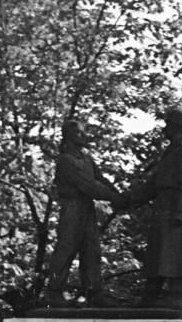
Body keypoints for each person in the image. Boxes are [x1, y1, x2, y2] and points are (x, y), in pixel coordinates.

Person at [124, 105, 182, 309]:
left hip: (176, 207)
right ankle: (152, 292)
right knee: (159, 250)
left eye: (169, 125)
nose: (166, 129)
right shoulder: (170, 152)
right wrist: (131, 199)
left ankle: (177, 294)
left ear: (177, 127)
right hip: (163, 205)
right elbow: (154, 183)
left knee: (177, 252)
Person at [43, 115, 124, 305]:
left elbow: (99, 178)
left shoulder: (86, 157)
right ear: (69, 136)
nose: (83, 135)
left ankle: (93, 293)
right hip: (72, 207)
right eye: (78, 132)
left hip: (87, 208)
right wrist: (113, 197)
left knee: (91, 250)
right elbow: (87, 185)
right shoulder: (65, 159)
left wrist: (119, 194)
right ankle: (54, 292)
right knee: (66, 249)